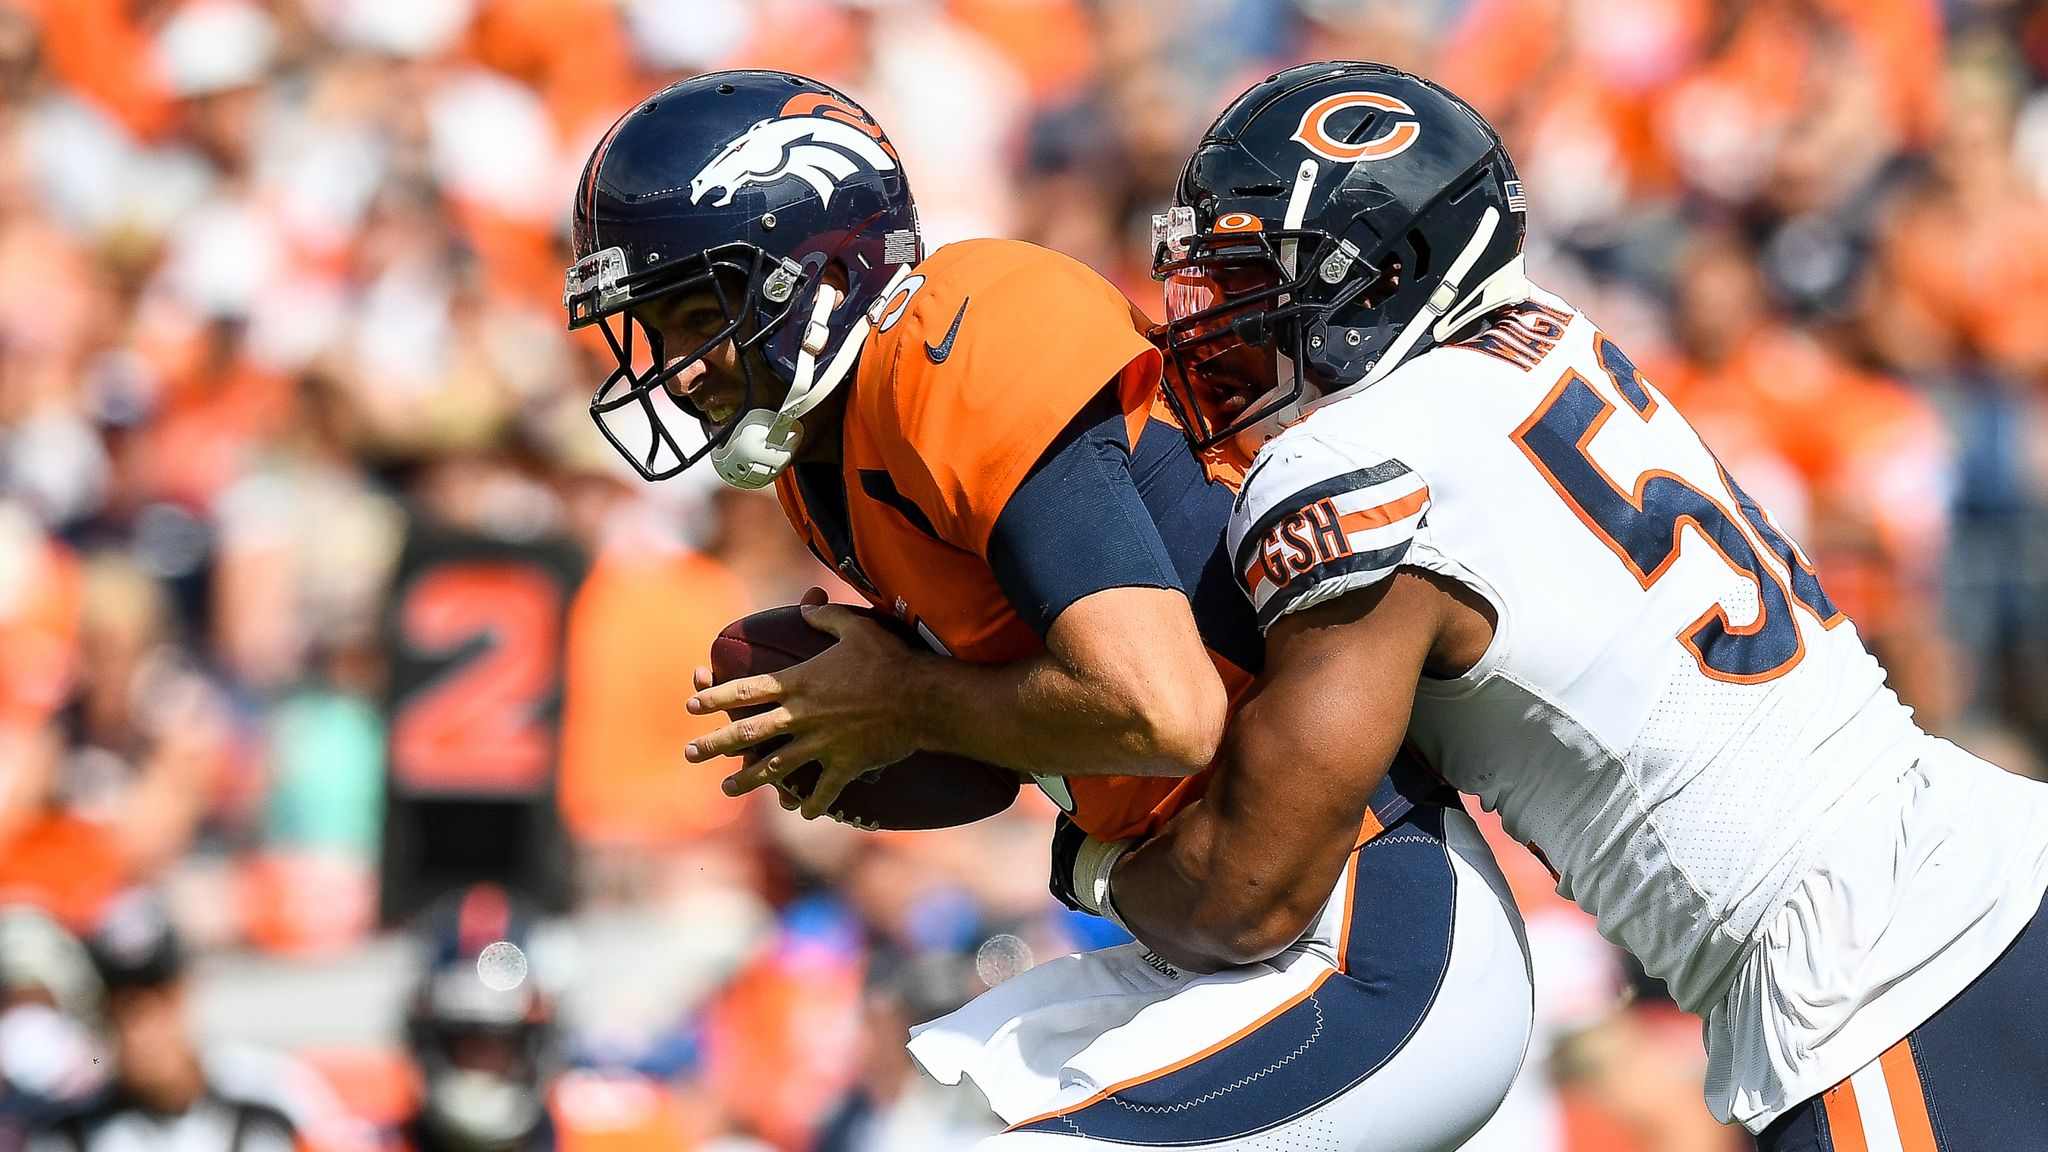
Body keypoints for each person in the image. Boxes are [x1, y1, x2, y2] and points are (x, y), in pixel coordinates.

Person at [1084, 59, 2048, 1151]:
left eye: (1265, 279)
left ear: (1384, 274)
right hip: (1989, 854)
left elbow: (1246, 895)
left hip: (1882, 982)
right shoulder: (1548, 334)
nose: (1221, 324)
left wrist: (1090, 857)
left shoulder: (1355, 461)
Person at [563, 70, 1532, 1150]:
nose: (682, 371)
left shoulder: (961, 335)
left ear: (818, 271)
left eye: (700, 314)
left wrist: (903, 703)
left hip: (1365, 911)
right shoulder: (823, 466)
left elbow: (1162, 711)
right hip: (1226, 921)